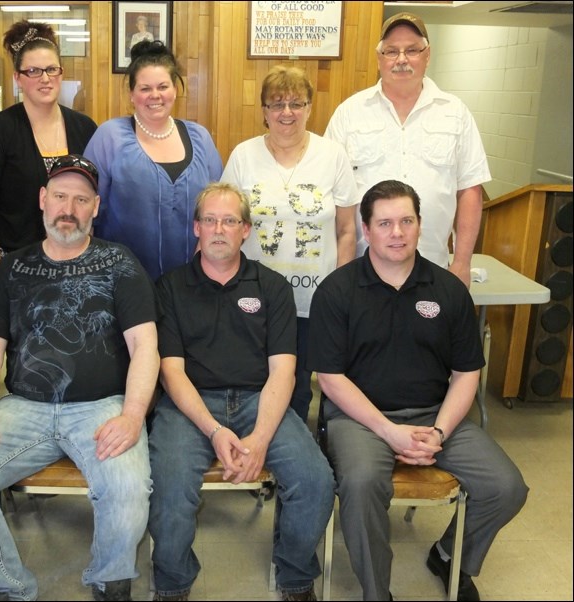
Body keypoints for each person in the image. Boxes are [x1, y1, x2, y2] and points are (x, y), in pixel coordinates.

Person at [0, 154, 160, 602]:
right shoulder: (10, 269)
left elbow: (145, 347)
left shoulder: (120, 263)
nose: (68, 208)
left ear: (95, 207)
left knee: (128, 484)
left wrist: (133, 415)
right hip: (23, 408)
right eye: (59, 196)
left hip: (102, 407)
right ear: (42, 200)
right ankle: (5, 588)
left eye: (80, 199)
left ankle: (110, 581)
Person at [306, 180, 528, 601]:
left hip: (434, 414)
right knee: (361, 481)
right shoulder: (337, 291)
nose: (397, 232)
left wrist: (440, 432)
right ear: (366, 231)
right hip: (361, 420)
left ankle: (449, 556)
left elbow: (466, 373)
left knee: (507, 486)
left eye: (406, 221)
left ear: (420, 225)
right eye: (385, 223)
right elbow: (331, 379)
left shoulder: (448, 291)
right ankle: (377, 591)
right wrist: (389, 432)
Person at [148, 182, 335, 602]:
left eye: (230, 221)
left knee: (315, 480)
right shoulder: (169, 288)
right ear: (196, 227)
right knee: (169, 483)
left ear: (246, 230)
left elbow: (284, 372)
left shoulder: (272, 287)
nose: (219, 229)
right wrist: (215, 430)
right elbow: (171, 373)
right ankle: (173, 583)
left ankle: (294, 576)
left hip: (259, 400)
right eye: (210, 220)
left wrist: (261, 438)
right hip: (190, 405)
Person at [221, 64, 357, 422]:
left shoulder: (333, 156)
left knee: (297, 387)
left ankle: (288, 457)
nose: (287, 113)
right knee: (251, 379)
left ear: (310, 108)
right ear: (264, 112)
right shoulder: (243, 155)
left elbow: (346, 230)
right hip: (252, 297)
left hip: (312, 300)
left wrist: (340, 292)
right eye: (277, 104)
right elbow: (225, 221)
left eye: (296, 103)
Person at [324, 12, 491, 288]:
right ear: (379, 59)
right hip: (362, 272)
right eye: (391, 51)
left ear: (428, 55)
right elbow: (331, 192)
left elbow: (470, 191)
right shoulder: (349, 114)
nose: (401, 59)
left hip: (433, 269)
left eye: (412, 50)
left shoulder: (455, 114)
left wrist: (462, 262)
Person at [84, 40, 223, 281]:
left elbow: (217, 207)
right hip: (122, 283)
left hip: (193, 283)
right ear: (131, 94)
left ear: (175, 90)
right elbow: (87, 210)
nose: (155, 95)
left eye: (163, 86)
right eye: (145, 88)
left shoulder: (199, 138)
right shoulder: (110, 137)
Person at [0, 20, 97, 277]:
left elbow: (93, 199)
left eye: (52, 69)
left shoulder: (85, 128)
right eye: (34, 71)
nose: (45, 79)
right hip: (15, 266)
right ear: (18, 78)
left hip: (74, 265)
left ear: (61, 73)